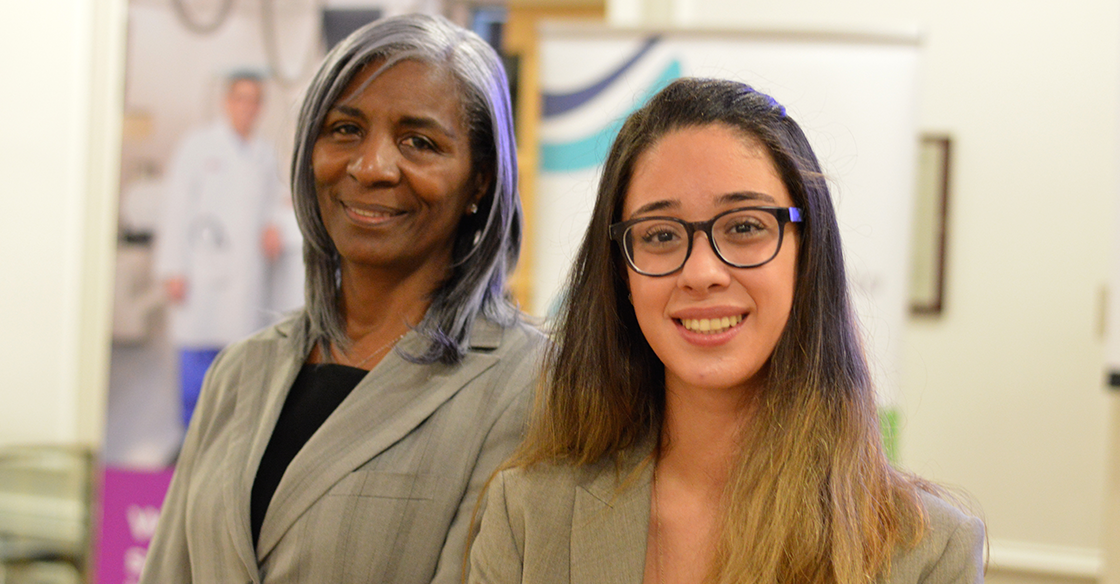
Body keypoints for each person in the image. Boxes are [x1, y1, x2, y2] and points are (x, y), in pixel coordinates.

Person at [469, 78, 984, 584]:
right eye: (661, 235)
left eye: (743, 226)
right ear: (619, 273)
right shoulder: (528, 515)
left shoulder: (927, 553)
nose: (701, 273)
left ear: (806, 252)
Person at [140, 14, 544, 584]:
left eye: (419, 142)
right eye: (345, 130)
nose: (371, 166)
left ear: (480, 179)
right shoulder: (241, 372)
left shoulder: (526, 387)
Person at [154, 70, 286, 428]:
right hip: (199, 271)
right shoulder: (198, 146)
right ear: (227, 102)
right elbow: (176, 208)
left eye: (255, 100)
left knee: (237, 364)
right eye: (240, 98)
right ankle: (189, 440)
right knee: (196, 359)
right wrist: (173, 270)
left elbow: (270, 204)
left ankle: (222, 444)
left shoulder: (263, 153)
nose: (248, 107)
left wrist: (272, 225)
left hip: (244, 275)